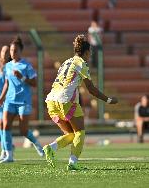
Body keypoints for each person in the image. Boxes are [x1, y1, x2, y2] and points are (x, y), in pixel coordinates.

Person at [42, 34, 118, 171]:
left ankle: (51, 147)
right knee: (80, 132)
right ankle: (73, 163)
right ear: (87, 52)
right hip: (65, 100)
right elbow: (91, 89)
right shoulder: (81, 63)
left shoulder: (66, 61)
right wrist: (109, 100)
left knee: (71, 135)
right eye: (90, 52)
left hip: (51, 101)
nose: (90, 55)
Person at [0, 36, 44, 163]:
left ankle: (37, 144)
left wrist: (22, 77)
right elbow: (6, 84)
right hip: (10, 101)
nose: (13, 53)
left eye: (15, 50)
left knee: (23, 131)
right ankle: (9, 156)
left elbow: (34, 83)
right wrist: (1, 98)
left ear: (20, 51)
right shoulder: (7, 66)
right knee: (5, 127)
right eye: (11, 50)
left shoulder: (26, 66)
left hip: (23, 101)